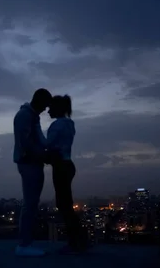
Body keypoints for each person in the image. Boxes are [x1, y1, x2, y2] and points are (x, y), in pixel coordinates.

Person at [13, 88, 53, 257]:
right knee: (29, 204)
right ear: (39, 101)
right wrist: (43, 155)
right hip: (29, 163)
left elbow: (37, 140)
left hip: (33, 163)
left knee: (32, 203)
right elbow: (25, 144)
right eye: (45, 105)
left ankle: (26, 243)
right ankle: (24, 245)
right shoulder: (24, 116)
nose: (45, 109)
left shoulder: (32, 116)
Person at [46, 95, 88, 254]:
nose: (48, 111)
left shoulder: (57, 125)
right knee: (66, 204)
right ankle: (78, 240)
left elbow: (47, 145)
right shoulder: (70, 124)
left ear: (57, 108)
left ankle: (76, 242)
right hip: (68, 165)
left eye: (50, 107)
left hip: (61, 166)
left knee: (64, 205)